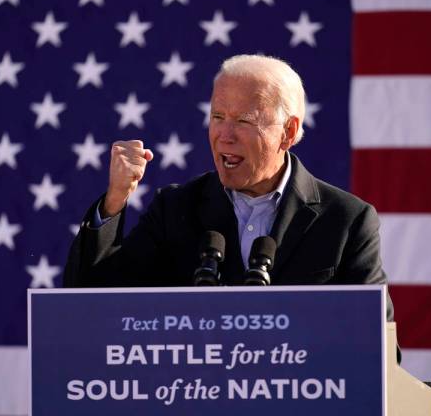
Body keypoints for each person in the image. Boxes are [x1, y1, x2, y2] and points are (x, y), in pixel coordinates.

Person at [64, 54, 395, 322]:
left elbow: (379, 348)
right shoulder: (175, 209)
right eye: (218, 116)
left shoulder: (347, 221)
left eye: (244, 120)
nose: (224, 134)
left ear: (288, 132)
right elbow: (93, 306)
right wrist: (115, 200)